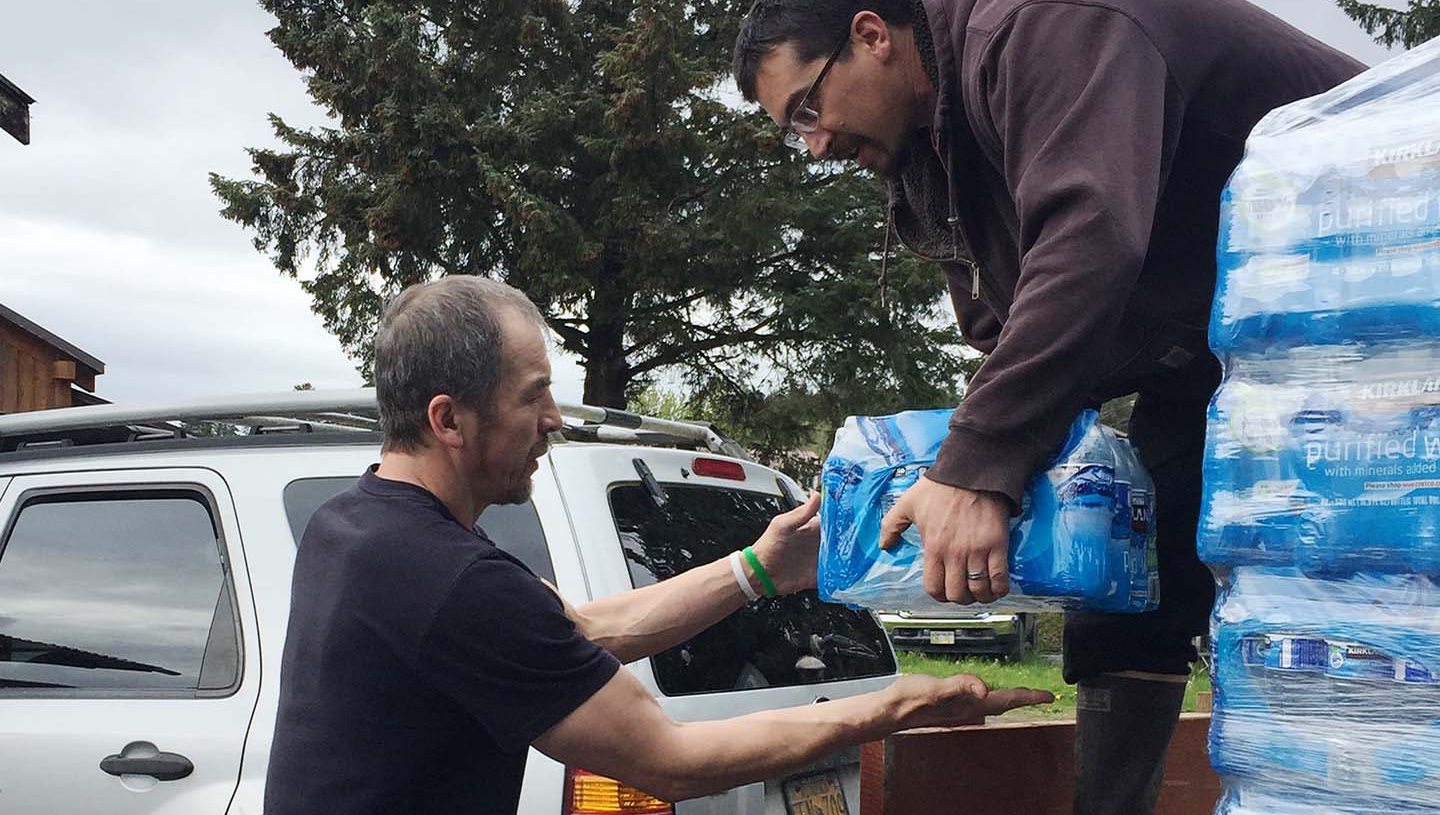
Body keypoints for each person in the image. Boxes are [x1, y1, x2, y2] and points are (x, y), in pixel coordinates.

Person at [732, 0, 1365, 814]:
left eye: (807, 108)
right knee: (1122, 591)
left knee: (1349, 588)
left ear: (872, 35)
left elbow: (1089, 239)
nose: (815, 145)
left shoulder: (1043, 22)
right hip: (1225, 360)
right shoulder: (936, 162)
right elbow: (1009, 334)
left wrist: (976, 470)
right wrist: (974, 478)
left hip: (1372, 312)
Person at [262, 274, 1050, 815]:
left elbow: (580, 632)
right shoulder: (450, 580)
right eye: (534, 397)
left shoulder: (356, 526)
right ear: (448, 420)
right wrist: (890, 705)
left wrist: (759, 571)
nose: (556, 421)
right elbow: (668, 759)